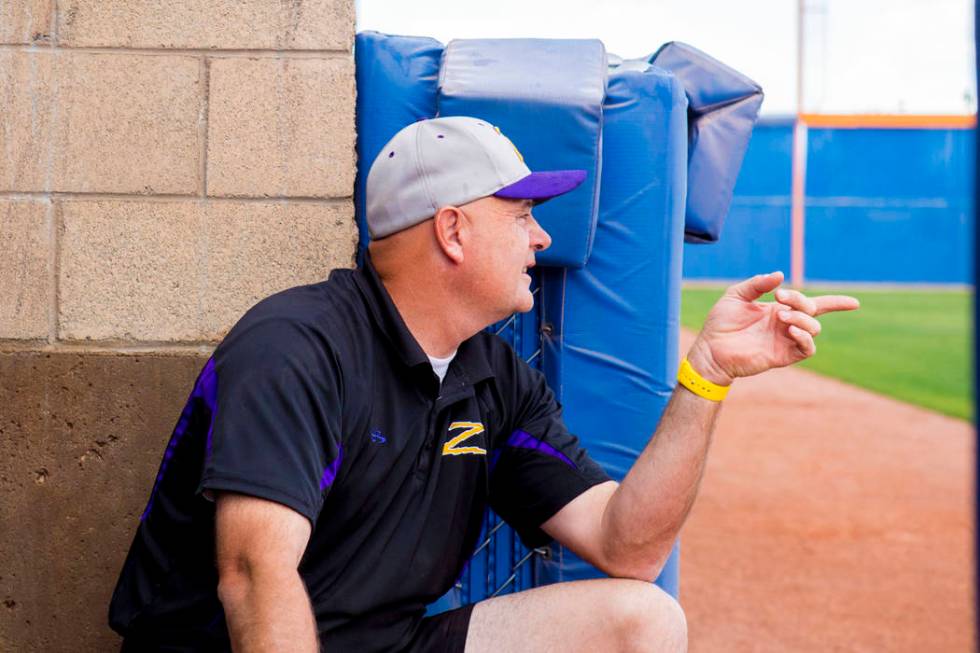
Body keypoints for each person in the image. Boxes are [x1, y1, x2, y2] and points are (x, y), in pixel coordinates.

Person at [108, 116, 859, 652]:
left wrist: (707, 376)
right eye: (525, 212)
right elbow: (251, 573)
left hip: (388, 641)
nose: (540, 236)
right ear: (453, 231)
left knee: (644, 619)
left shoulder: (491, 375)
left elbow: (625, 545)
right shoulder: (297, 346)